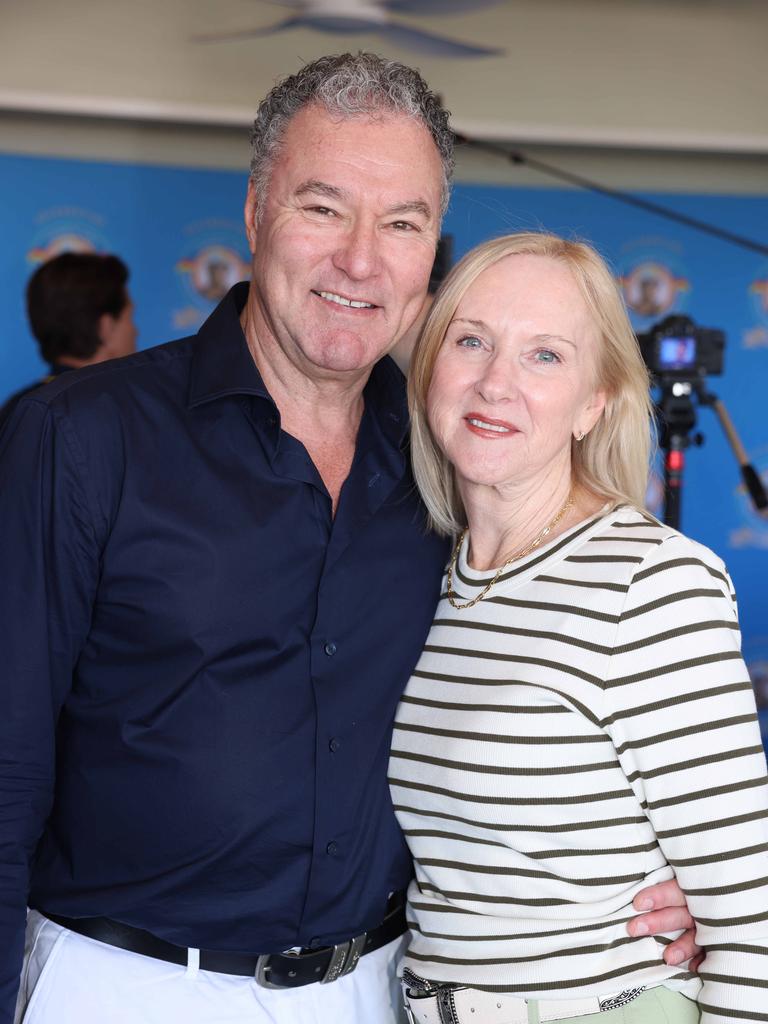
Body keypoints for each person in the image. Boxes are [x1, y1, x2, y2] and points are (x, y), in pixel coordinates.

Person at [0, 56, 696, 1024]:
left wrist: (645, 889)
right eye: (324, 208)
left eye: (402, 223)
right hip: (129, 986)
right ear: (255, 213)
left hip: (382, 989)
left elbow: (524, 725)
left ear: (430, 254)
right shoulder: (82, 438)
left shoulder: (447, 462)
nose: (361, 260)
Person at [391, 231, 768, 1024]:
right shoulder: (425, 576)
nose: (496, 383)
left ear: (594, 402)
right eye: (471, 341)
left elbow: (751, 916)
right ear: (429, 365)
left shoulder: (650, 582)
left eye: (545, 357)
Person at [0, 252, 137, 429]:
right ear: (106, 327)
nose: (136, 331)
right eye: (130, 318)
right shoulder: (124, 410)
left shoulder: (16, 409)